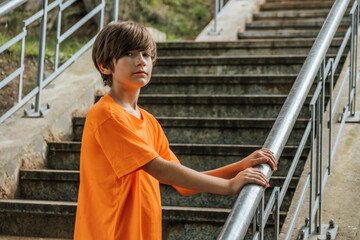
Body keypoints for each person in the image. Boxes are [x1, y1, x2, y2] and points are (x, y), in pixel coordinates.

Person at [73, 21, 277, 240]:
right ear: (105, 66)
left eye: (147, 55)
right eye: (130, 53)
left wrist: (239, 167)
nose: (141, 61)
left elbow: (182, 185)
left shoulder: (149, 121)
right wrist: (228, 186)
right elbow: (160, 169)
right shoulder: (105, 114)